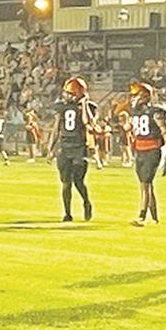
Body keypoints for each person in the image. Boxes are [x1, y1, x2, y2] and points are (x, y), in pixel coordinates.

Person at [45, 76, 95, 223]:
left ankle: (86, 202)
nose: (65, 95)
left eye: (70, 93)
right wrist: (50, 148)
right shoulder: (61, 107)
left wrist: (84, 103)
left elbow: (88, 122)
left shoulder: (88, 106)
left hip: (79, 146)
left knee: (78, 180)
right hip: (64, 146)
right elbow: (56, 128)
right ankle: (67, 213)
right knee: (66, 182)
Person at [126, 82, 166, 226]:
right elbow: (129, 127)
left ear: (145, 96)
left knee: (145, 184)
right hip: (139, 150)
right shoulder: (135, 111)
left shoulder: (156, 111)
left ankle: (141, 216)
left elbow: (165, 132)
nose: (134, 98)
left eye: (136, 95)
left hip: (152, 150)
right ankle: (154, 217)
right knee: (147, 185)